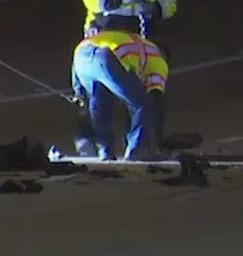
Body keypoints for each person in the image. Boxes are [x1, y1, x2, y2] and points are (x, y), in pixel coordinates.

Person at [70, 27, 169, 161]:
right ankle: (138, 150)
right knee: (142, 105)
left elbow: (78, 66)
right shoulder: (157, 59)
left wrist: (79, 92)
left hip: (81, 55)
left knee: (99, 105)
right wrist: (158, 140)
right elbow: (156, 97)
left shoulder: (136, 44)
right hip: (107, 56)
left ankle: (105, 151)